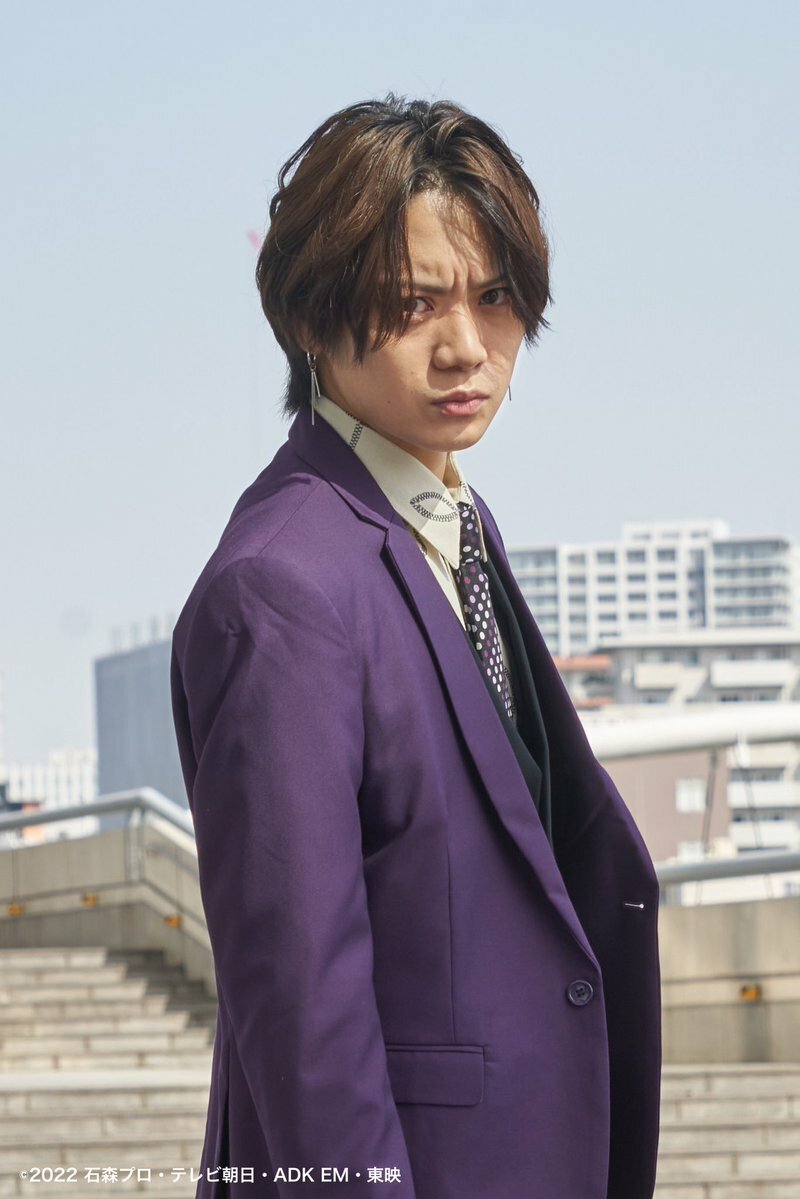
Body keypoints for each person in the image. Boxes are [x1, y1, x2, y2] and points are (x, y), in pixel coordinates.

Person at [170, 93, 662, 1199]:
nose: (466, 347)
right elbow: (302, 1012)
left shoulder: (451, 522)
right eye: (412, 303)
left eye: (495, 298)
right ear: (312, 317)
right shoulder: (282, 587)